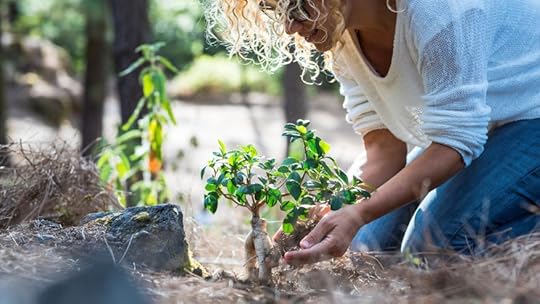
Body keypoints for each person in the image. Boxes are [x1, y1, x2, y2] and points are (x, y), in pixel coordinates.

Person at [205, 0, 540, 265]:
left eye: (298, 6)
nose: (290, 26)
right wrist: (331, 211)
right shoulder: (342, 37)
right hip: (485, 127)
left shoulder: (438, 11)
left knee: (429, 251)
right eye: (275, 9)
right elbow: (384, 150)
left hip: (531, 118)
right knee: (365, 249)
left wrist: (361, 211)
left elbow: (455, 143)